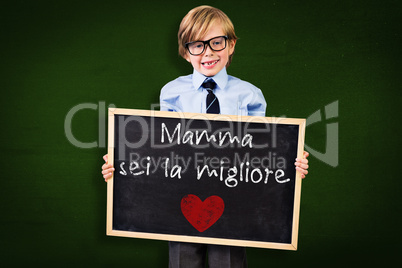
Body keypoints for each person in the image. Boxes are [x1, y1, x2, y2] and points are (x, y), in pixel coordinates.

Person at [102, 5, 309, 268]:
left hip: (234, 197)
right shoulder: (171, 93)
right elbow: (162, 147)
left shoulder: (249, 94)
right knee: (183, 258)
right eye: (197, 45)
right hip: (183, 198)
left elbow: (264, 147)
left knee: (229, 261)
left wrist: (289, 164)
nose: (208, 52)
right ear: (186, 52)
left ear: (231, 45)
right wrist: (123, 164)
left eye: (216, 42)